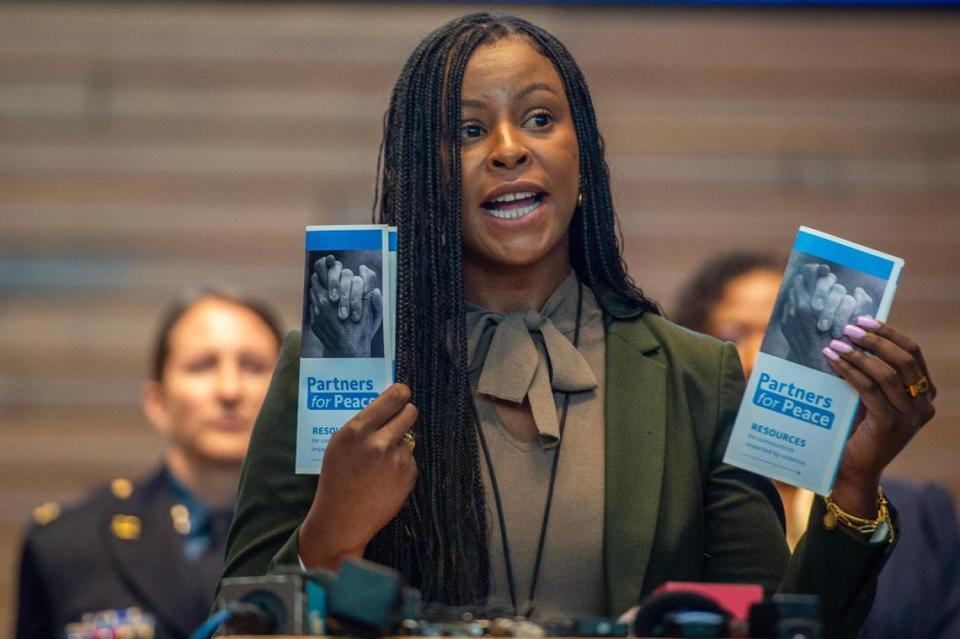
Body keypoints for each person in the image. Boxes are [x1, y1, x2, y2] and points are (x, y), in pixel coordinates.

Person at [222, 14, 937, 637]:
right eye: (469, 130)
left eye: (538, 118)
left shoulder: (695, 376)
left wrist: (851, 488)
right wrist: (331, 532)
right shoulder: (336, 367)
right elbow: (239, 626)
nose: (508, 148)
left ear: (583, 159)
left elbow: (779, 625)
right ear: (421, 175)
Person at [675, 251, 960, 638]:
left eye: (783, 330)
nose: (759, 356)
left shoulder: (923, 515)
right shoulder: (677, 515)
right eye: (734, 335)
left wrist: (855, 481)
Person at [16, 291, 283, 639]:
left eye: (253, 366)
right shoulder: (67, 545)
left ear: (288, 394)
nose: (230, 390)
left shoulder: (330, 538)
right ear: (157, 402)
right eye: (202, 365)